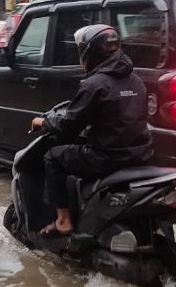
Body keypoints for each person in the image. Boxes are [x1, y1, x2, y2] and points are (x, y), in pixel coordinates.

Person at [30, 25, 153, 236]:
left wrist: (44, 123)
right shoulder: (137, 81)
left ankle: (63, 221)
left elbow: (69, 125)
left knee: (53, 157)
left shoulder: (95, 84)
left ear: (90, 52)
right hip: (141, 156)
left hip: (107, 158)